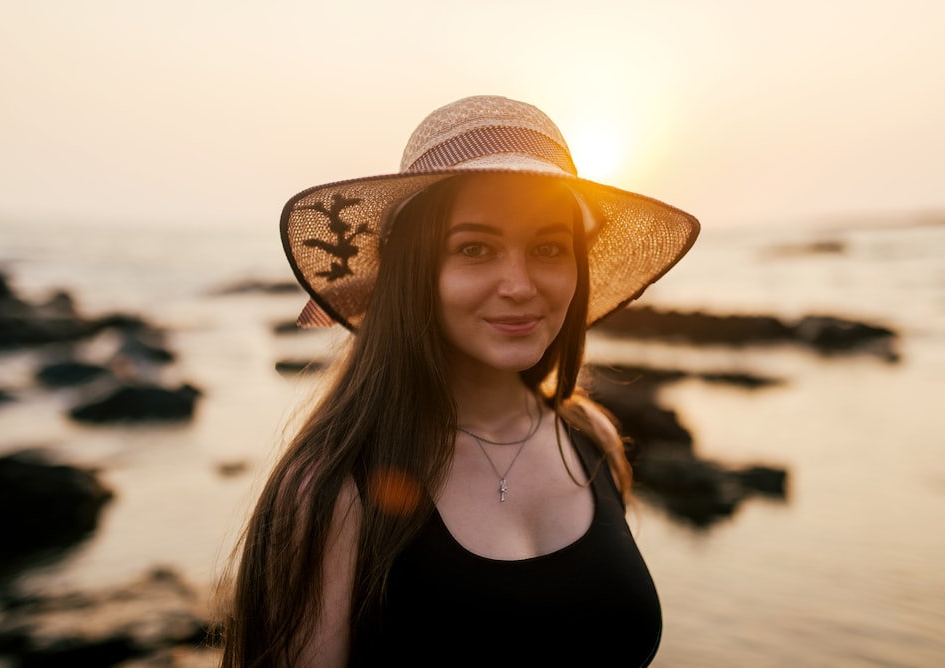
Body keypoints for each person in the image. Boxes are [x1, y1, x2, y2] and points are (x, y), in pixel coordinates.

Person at [218, 95, 699, 667]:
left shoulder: (592, 439)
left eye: (548, 248)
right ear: (415, 269)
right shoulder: (332, 490)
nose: (519, 285)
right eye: (474, 248)